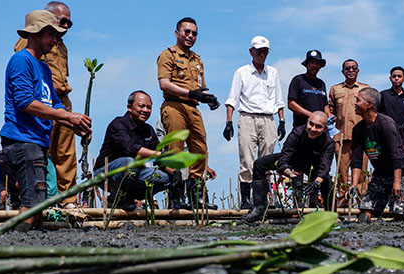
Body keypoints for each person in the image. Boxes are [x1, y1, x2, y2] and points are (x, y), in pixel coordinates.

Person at [0, 10, 91, 228]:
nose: (55, 40)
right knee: (31, 206)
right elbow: (25, 103)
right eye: (50, 34)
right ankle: (11, 246)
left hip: (37, 141)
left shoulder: (43, 67)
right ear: (35, 34)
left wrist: (72, 123)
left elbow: (54, 103)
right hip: (23, 139)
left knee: (38, 208)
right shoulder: (21, 60)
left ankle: (25, 244)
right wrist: (67, 115)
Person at [14, 2, 78, 209]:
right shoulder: (27, 45)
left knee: (66, 153)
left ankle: (68, 199)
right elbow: (25, 76)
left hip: (61, 101)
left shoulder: (62, 46)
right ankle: (39, 200)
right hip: (41, 103)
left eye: (70, 22)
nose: (67, 26)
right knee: (41, 150)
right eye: (63, 21)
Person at [158, 17, 219, 210]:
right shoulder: (167, 55)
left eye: (194, 33)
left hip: (193, 107)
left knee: (200, 148)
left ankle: (197, 197)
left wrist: (208, 98)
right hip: (174, 105)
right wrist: (190, 93)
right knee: (176, 149)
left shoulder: (197, 59)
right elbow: (164, 83)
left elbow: (200, 87)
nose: (191, 36)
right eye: (187, 32)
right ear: (177, 33)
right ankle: (176, 197)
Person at [223, 35, 286, 209]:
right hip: (247, 117)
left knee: (266, 161)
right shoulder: (241, 72)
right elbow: (232, 99)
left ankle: (263, 200)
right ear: (251, 52)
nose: (262, 54)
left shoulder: (273, 73)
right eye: (259, 51)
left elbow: (279, 99)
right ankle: (245, 201)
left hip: (268, 118)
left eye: (265, 51)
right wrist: (229, 122)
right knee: (247, 160)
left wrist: (282, 120)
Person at [94, 91, 184, 210]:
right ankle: (117, 197)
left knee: (167, 178)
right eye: (141, 106)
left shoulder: (148, 130)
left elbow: (158, 161)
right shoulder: (118, 124)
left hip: (135, 173)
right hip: (106, 173)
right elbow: (131, 148)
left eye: (149, 107)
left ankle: (131, 197)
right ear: (129, 107)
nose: (145, 110)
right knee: (129, 162)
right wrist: (160, 154)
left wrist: (175, 173)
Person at [242, 111, 334, 223]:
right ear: (307, 122)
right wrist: (293, 177)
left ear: (325, 129)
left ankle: (331, 214)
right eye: (311, 124)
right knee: (259, 164)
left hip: (312, 166)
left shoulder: (329, 143)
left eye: (318, 127)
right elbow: (284, 159)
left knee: (327, 182)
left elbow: (325, 167)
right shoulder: (297, 133)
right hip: (293, 160)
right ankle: (259, 208)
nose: (313, 129)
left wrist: (316, 183)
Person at [348, 88, 404, 223]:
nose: (354, 103)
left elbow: (396, 155)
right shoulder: (358, 129)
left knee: (398, 213)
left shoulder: (386, 124)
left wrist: (397, 183)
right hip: (381, 173)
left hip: (401, 171)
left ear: (370, 104)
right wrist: (354, 184)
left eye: (358, 100)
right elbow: (356, 159)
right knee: (365, 209)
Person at [328, 59, 370, 205]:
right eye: (347, 68)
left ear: (358, 71)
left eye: (353, 68)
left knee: (362, 169)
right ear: (343, 71)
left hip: (362, 137)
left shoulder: (365, 89)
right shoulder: (335, 89)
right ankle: (343, 198)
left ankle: (360, 198)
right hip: (341, 136)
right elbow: (330, 111)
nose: (350, 70)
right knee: (342, 170)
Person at [287, 50, 330, 128]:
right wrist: (311, 115)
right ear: (306, 64)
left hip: (318, 129)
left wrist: (329, 116)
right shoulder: (298, 80)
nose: (314, 65)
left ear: (320, 66)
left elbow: (325, 106)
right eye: (312, 63)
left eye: (317, 63)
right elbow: (291, 104)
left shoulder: (321, 83)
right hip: (301, 127)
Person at [378, 66, 404, 148]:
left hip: (402, 139)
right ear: (390, 78)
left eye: (399, 76)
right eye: (394, 76)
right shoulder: (383, 95)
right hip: (384, 137)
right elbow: (377, 115)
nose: (396, 78)